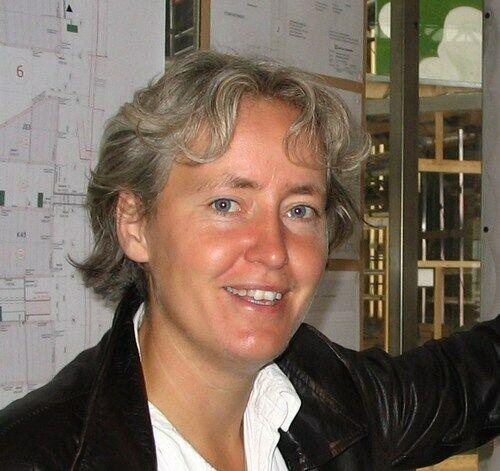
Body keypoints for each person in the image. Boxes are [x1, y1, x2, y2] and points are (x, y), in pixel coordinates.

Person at [0, 51, 499, 471]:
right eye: (226, 204)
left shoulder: (331, 399)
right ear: (135, 224)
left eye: (300, 210)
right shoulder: (35, 454)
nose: (274, 249)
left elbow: (473, 377)